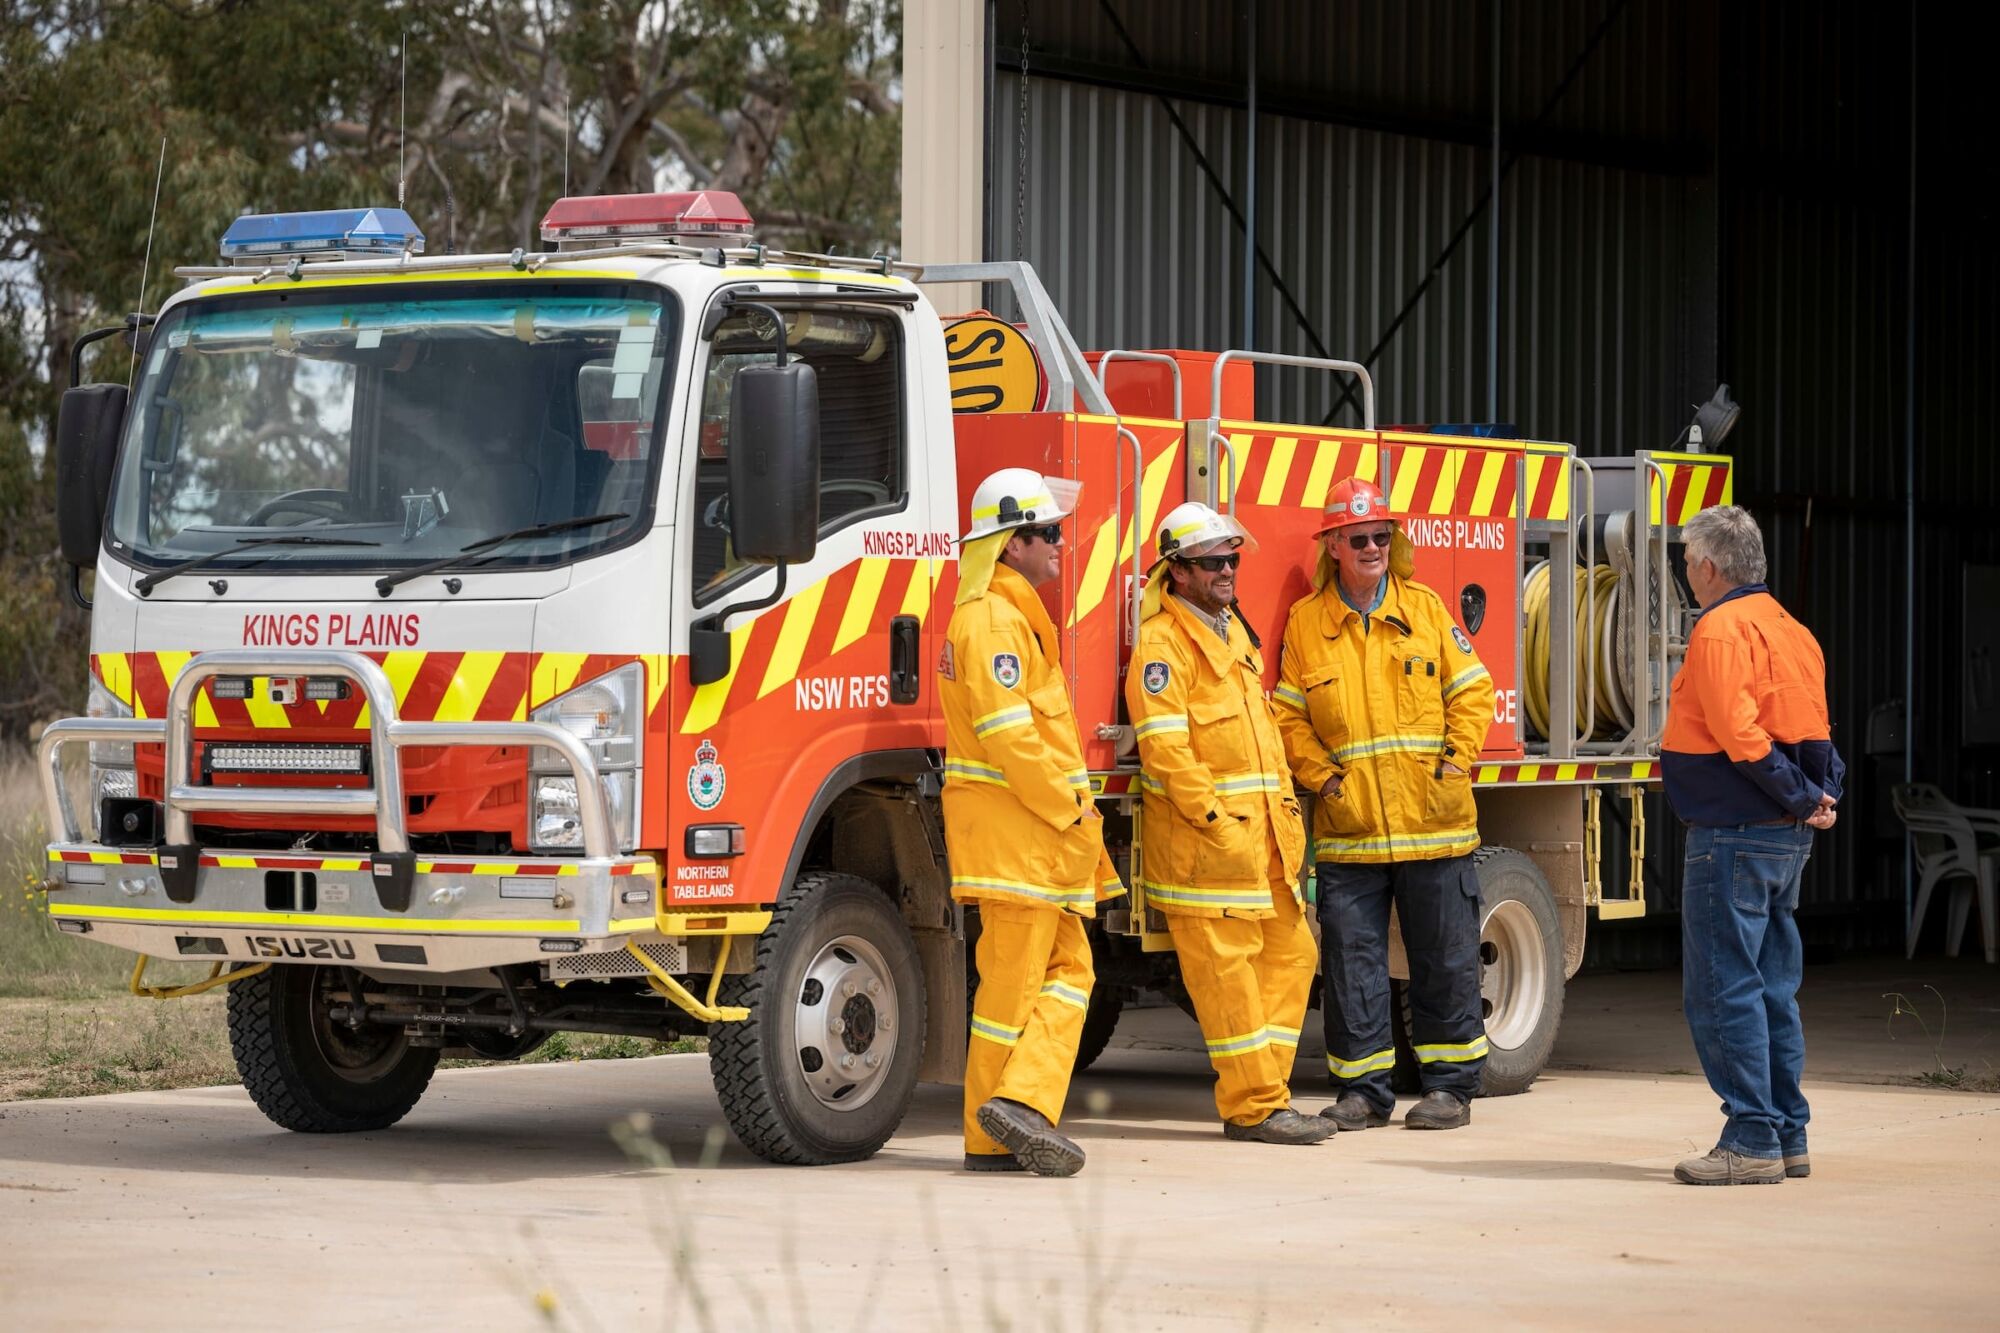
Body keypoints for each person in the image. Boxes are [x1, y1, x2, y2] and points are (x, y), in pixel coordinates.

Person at [1273, 477, 1495, 1132]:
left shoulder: (1424, 609)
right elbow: (1289, 718)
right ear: (1333, 545)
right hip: (1351, 830)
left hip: (1435, 824)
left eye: (1381, 535)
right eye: (1358, 536)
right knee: (1352, 965)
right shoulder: (1306, 623)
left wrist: (1454, 765)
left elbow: (1473, 692)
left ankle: (1451, 1088)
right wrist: (1326, 779)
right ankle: (1362, 1093)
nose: (1373, 546)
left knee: (1444, 960)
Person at [1123, 502, 1334, 1146]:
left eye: (1231, 559)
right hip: (1206, 851)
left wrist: (1283, 816)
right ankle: (1256, 1106)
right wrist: (1214, 819)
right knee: (1230, 982)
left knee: (1296, 953)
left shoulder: (1231, 631)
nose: (1226, 570)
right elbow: (1165, 750)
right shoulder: (1162, 643)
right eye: (1212, 561)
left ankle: (1263, 1090)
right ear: (1177, 572)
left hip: (1262, 842)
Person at [940, 467, 1124, 1177]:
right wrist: (1073, 808)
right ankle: (1002, 1122)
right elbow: (1013, 739)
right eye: (1048, 532)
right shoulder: (992, 621)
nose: (1060, 544)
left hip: (1031, 845)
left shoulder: (1008, 616)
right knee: (1014, 994)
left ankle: (1011, 1113)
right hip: (1021, 844)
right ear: (1010, 544)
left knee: (1063, 973)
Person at [1663, 504, 1843, 1186]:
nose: (1687, 575)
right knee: (1771, 986)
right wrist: (1821, 795)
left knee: (1721, 987)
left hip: (1733, 833)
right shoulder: (1794, 630)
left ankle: (1751, 1135)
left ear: (1710, 566)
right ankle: (1787, 1131)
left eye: (1686, 564)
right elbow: (1817, 730)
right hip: (1781, 839)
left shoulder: (1719, 629)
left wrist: (1801, 796)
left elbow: (1740, 735)